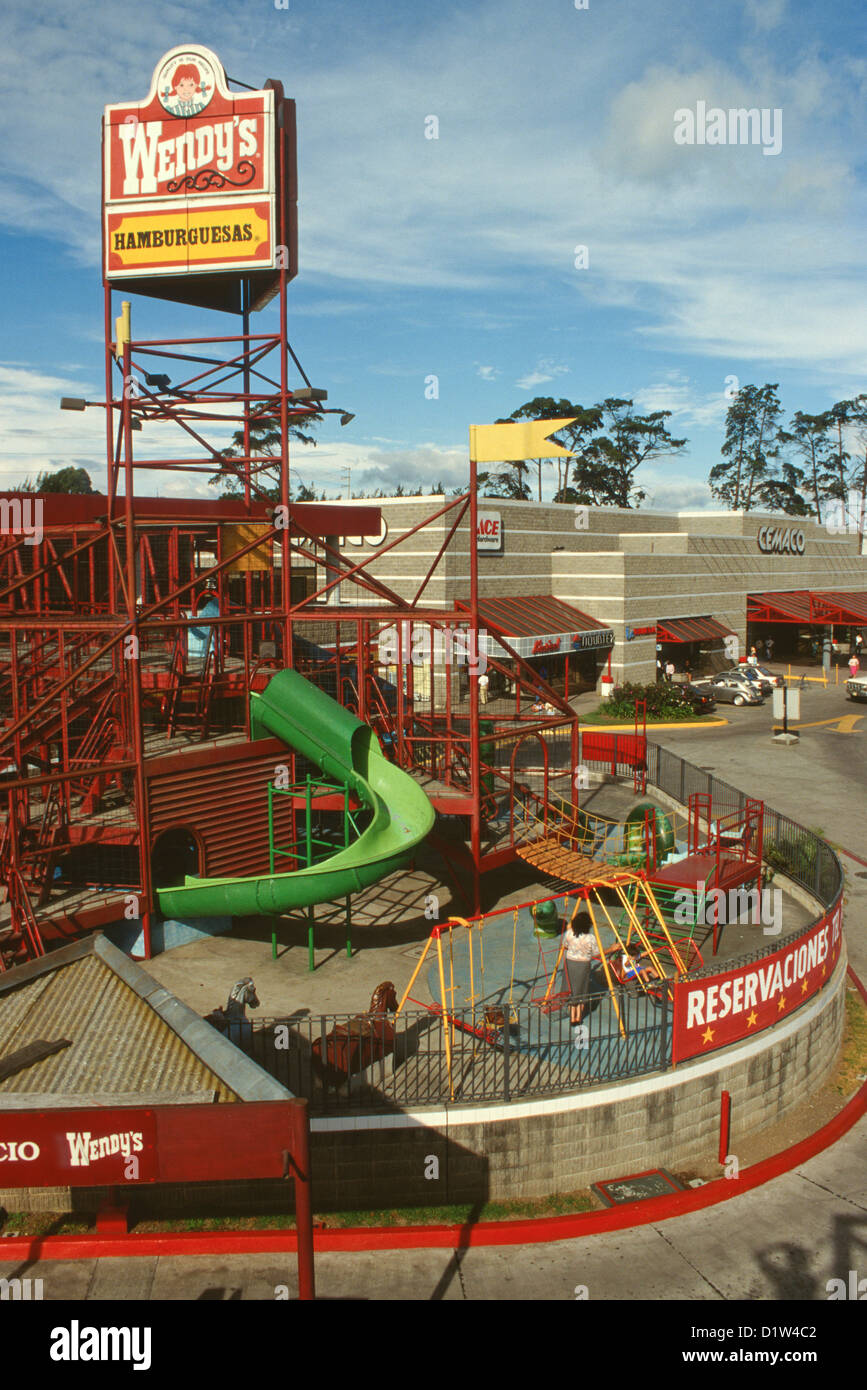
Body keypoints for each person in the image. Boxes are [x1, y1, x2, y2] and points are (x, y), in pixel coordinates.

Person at [562, 914, 600, 1029]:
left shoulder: (569, 933)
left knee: (571, 988)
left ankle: (572, 1016)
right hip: (583, 964)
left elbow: (565, 945)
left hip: (570, 963)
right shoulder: (590, 938)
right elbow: (596, 953)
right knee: (582, 989)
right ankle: (578, 1016)